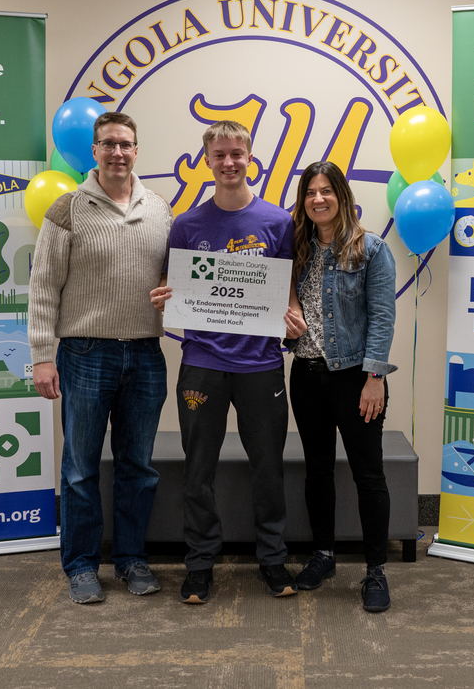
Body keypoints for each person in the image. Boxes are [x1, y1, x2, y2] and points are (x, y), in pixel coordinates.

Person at [151, 120, 298, 604]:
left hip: (261, 365)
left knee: (268, 469)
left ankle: (272, 559)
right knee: (198, 470)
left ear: (250, 158)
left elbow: (288, 290)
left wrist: (293, 314)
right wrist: (165, 297)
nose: (229, 162)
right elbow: (174, 286)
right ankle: (199, 564)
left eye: (237, 153)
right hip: (203, 362)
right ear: (207, 160)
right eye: (220, 155)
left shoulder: (278, 222)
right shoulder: (187, 225)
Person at [28, 111, 172, 605]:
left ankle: (131, 559)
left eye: (125, 144)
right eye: (108, 143)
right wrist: (42, 356)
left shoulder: (160, 208)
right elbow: (43, 286)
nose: (117, 152)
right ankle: (82, 565)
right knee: (80, 468)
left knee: (138, 467)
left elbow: (176, 276)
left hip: (146, 354)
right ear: (94, 151)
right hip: (84, 353)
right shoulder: (67, 209)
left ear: (137, 150)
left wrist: (175, 296)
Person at [282, 160, 397, 613]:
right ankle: (324, 555)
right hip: (306, 376)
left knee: (369, 474)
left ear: (342, 196)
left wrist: (375, 379)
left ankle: (376, 571)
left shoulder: (371, 249)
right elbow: (283, 306)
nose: (318, 199)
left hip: (356, 378)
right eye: (310, 192)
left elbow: (382, 318)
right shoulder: (296, 249)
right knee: (317, 470)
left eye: (326, 190)